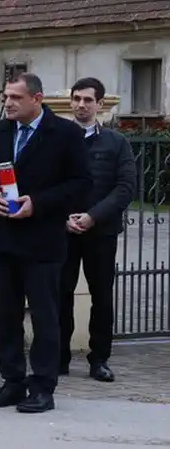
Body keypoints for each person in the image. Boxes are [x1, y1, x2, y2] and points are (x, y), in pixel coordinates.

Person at [0, 73, 91, 414]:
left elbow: (81, 184)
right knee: (6, 315)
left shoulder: (65, 134)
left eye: (15, 97)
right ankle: (12, 380)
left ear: (37, 99)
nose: (7, 102)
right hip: (4, 240)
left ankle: (42, 385)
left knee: (44, 316)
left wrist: (37, 203)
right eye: (6, 96)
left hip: (42, 241)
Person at [59, 77, 136, 382]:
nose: (81, 105)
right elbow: (46, 182)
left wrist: (92, 217)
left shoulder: (117, 142)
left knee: (101, 297)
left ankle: (99, 359)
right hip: (62, 231)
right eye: (76, 99)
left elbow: (125, 187)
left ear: (100, 104)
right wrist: (64, 216)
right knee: (58, 295)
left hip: (101, 232)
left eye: (88, 100)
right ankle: (58, 357)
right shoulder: (59, 139)